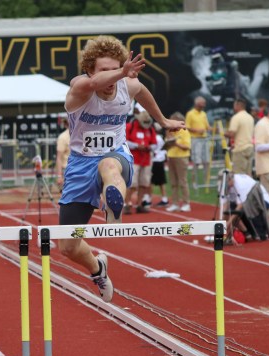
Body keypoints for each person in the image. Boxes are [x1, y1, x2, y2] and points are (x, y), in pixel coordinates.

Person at [59, 35, 184, 303]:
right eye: (104, 70)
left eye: (116, 69)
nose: (112, 78)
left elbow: (142, 91)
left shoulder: (128, 85)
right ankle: (98, 268)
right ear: (89, 70)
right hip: (80, 164)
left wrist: (162, 120)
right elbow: (95, 83)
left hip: (116, 156)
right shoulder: (80, 87)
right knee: (67, 245)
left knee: (108, 165)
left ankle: (113, 205)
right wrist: (122, 72)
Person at [220, 171, 269, 243]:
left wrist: (227, 224)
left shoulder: (240, 184)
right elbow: (225, 207)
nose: (227, 186)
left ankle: (257, 232)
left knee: (241, 210)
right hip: (248, 202)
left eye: (227, 184)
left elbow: (239, 207)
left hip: (262, 201)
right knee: (232, 208)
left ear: (231, 179)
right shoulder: (224, 186)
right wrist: (221, 224)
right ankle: (247, 233)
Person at [124, 109, 157, 214]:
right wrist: (136, 146)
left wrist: (149, 147)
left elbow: (155, 144)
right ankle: (127, 204)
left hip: (146, 160)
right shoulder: (130, 127)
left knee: (144, 183)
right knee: (132, 184)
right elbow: (124, 142)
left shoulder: (150, 129)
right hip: (133, 159)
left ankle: (139, 204)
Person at [165, 112, 192, 212]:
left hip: (181, 158)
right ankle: (175, 203)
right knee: (173, 182)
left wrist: (175, 143)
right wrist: (168, 140)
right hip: (171, 157)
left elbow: (187, 146)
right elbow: (167, 144)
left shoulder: (184, 131)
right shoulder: (171, 131)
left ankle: (186, 203)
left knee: (182, 181)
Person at [185, 96, 211, 189]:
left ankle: (206, 182)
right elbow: (187, 127)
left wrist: (215, 128)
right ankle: (194, 182)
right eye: (202, 103)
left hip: (205, 139)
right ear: (197, 103)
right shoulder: (190, 114)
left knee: (207, 161)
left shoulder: (204, 113)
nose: (204, 105)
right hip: (195, 140)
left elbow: (207, 127)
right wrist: (196, 130)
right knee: (196, 162)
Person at [225, 98, 255, 176]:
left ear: (238, 105)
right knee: (248, 175)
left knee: (238, 175)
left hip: (240, 148)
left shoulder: (236, 117)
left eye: (234, 105)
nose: (233, 107)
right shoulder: (250, 117)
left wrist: (224, 133)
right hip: (249, 147)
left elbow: (231, 134)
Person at [150, 123, 169, 207]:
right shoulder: (160, 138)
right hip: (159, 160)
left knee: (151, 181)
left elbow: (152, 148)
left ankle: (148, 199)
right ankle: (164, 198)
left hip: (156, 160)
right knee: (161, 181)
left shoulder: (156, 138)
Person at [54, 117, 70, 191]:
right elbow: (59, 158)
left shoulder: (81, 135)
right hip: (67, 171)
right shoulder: (63, 137)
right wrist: (59, 176)